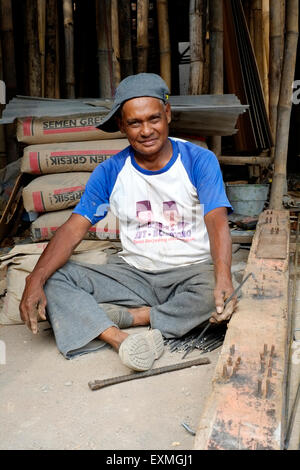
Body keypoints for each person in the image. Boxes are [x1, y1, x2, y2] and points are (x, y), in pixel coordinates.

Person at [20, 73, 237, 371]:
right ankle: (119, 338)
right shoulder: (111, 171)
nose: (146, 130)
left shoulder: (198, 160)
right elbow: (73, 229)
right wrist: (35, 278)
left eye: (154, 119)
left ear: (168, 115)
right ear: (122, 125)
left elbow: (216, 220)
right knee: (54, 276)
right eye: (135, 123)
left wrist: (223, 274)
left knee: (221, 290)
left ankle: (137, 317)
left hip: (191, 273)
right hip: (134, 275)